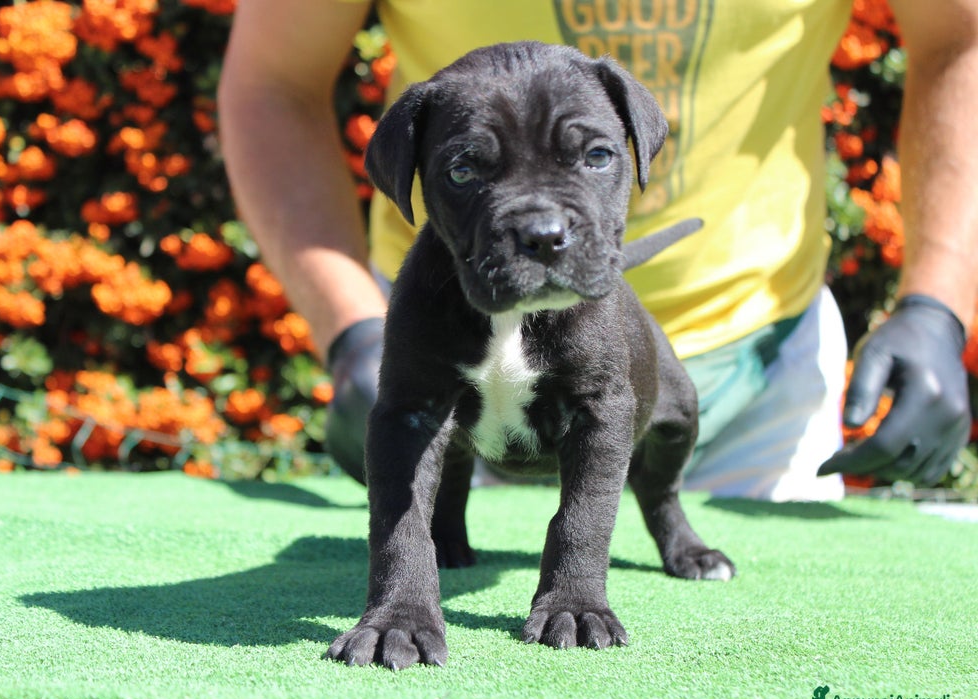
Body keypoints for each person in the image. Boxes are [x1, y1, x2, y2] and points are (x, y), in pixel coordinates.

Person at [218, 0, 977, 500]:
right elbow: (274, 82)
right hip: (461, 347)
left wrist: (938, 303)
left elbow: (960, 35)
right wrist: (351, 324)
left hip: (761, 360)